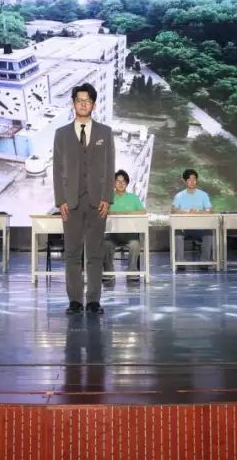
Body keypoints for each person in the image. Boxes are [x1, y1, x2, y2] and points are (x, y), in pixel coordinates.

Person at [53, 83, 116, 315]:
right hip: (71, 202)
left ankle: (93, 301)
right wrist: (60, 200)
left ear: (93, 105)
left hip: (98, 202)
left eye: (87, 100)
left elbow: (110, 166)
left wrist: (107, 197)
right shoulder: (61, 134)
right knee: (72, 253)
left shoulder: (105, 132)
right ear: (73, 103)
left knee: (95, 253)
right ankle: (75, 301)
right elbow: (57, 169)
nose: (83, 104)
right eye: (79, 100)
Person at [102, 170, 146, 281]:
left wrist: (128, 213)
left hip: (130, 235)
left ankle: (132, 271)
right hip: (112, 234)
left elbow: (143, 212)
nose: (121, 184)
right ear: (113, 183)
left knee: (135, 244)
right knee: (106, 244)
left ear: (127, 183)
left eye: (123, 181)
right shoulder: (108, 198)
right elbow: (103, 212)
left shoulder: (133, 198)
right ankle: (108, 272)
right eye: (118, 181)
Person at [171, 169, 215, 262]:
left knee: (208, 234)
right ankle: (180, 262)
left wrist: (199, 212)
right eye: (189, 180)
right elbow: (173, 210)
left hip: (200, 228)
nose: (192, 182)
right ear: (184, 181)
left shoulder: (203, 195)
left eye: (194, 179)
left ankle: (205, 261)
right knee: (177, 234)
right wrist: (187, 212)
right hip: (184, 228)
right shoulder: (179, 196)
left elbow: (210, 210)